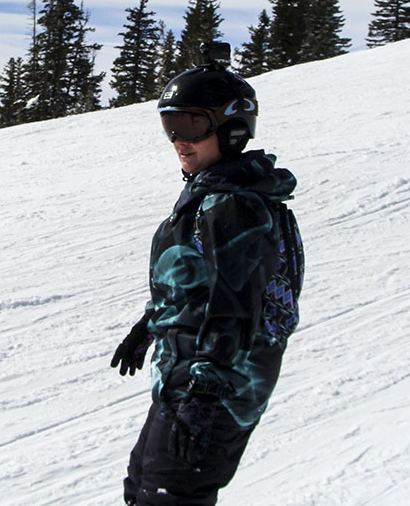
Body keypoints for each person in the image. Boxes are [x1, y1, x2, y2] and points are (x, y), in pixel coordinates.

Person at [112, 42, 303, 506]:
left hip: (215, 387)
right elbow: (193, 282)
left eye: (191, 124)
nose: (179, 139)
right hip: (188, 378)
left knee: (169, 497)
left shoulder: (234, 203)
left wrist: (207, 388)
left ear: (232, 127)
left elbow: (236, 305)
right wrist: (150, 323)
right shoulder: (213, 195)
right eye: (169, 125)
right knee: (142, 488)